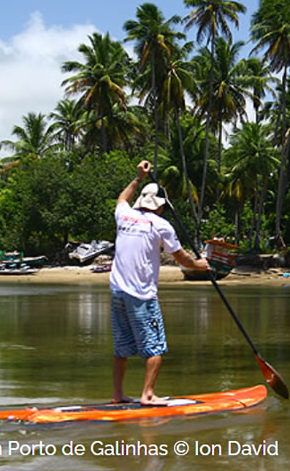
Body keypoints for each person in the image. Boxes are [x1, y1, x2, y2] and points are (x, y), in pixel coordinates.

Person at [109, 160, 210, 405]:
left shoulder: (124, 215)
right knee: (155, 347)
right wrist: (201, 265)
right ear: (161, 206)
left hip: (117, 291)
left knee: (122, 348)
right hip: (142, 295)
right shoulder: (162, 225)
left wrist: (138, 177)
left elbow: (122, 198)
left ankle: (117, 395)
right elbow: (182, 258)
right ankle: (148, 395)